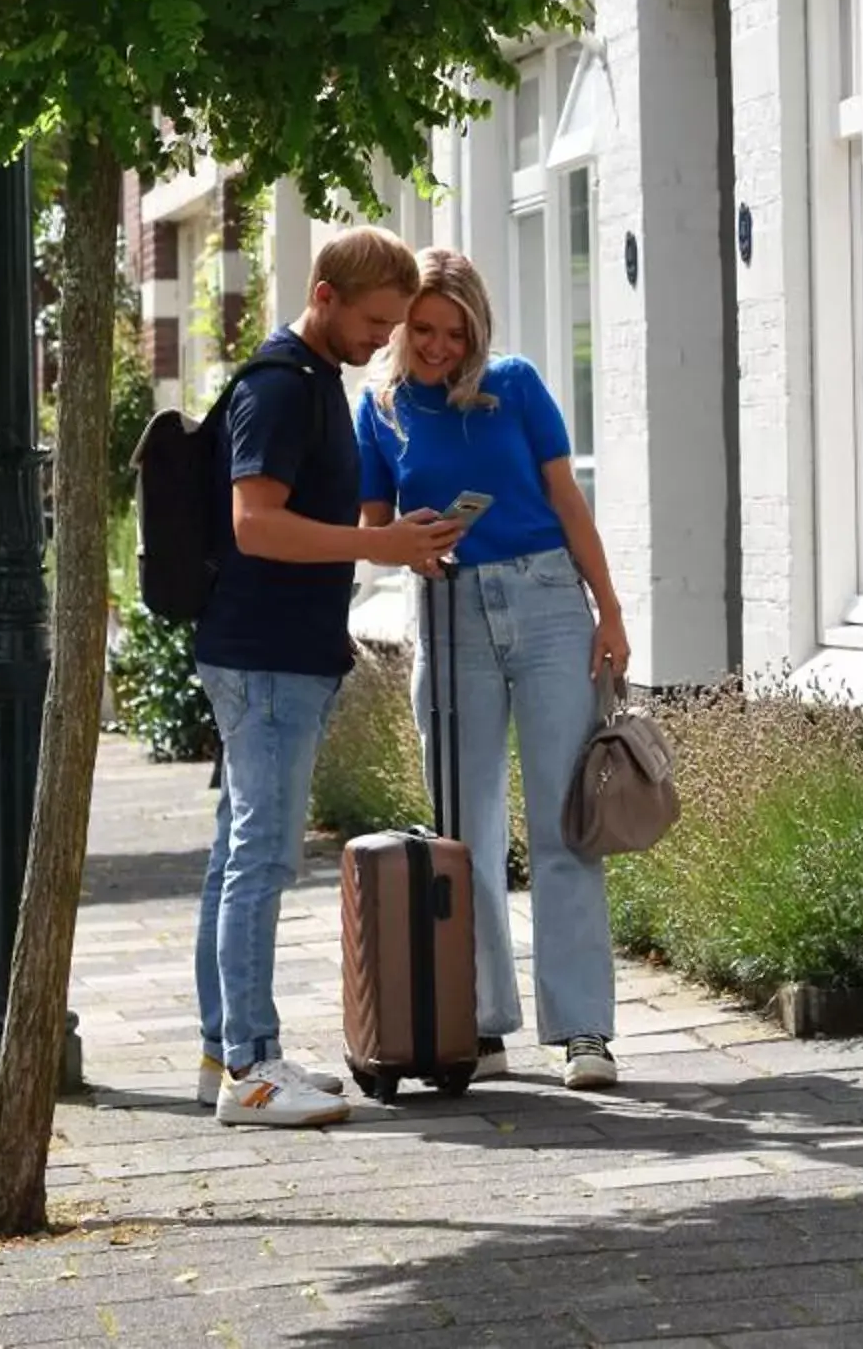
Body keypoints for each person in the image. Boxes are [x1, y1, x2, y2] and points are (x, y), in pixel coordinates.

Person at [195, 228, 461, 1129]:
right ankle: (251, 1069)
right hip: (265, 657)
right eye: (375, 320)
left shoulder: (309, 384)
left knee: (239, 853)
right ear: (324, 294)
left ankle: (226, 1052)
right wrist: (373, 544)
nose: (383, 339)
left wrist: (394, 538)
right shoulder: (280, 387)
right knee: (262, 858)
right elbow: (255, 524)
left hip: (276, 653)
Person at [358, 248, 629, 1090]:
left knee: (562, 825)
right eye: (422, 330)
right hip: (448, 611)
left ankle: (583, 1032)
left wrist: (610, 609)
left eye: (453, 330)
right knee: (463, 832)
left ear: (477, 328)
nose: (437, 346)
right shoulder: (382, 410)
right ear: (400, 328)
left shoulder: (515, 384)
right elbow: (373, 522)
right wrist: (412, 548)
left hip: (549, 602)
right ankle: (477, 1023)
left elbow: (566, 500)